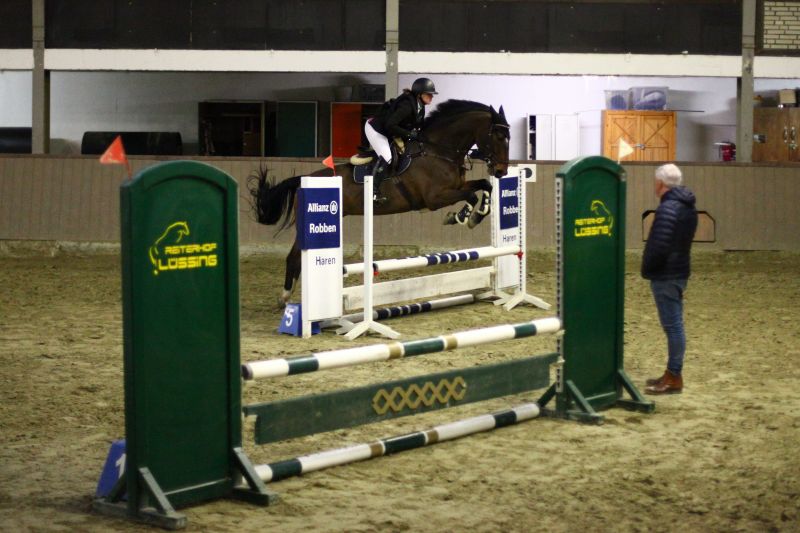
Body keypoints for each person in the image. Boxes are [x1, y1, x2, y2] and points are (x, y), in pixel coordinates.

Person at [641, 163, 698, 394]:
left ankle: (674, 376)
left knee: (673, 327)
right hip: (679, 270)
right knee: (674, 325)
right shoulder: (688, 207)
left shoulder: (667, 209)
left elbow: (659, 245)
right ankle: (672, 373)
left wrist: (648, 268)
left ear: (660, 183)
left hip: (666, 274)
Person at [364, 77, 437, 204]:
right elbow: (390, 125)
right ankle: (372, 192)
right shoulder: (407, 106)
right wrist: (409, 134)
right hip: (376, 129)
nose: (431, 97)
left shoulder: (420, 107)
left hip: (389, 131)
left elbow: (417, 126)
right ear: (419, 94)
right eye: (428, 94)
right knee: (387, 157)